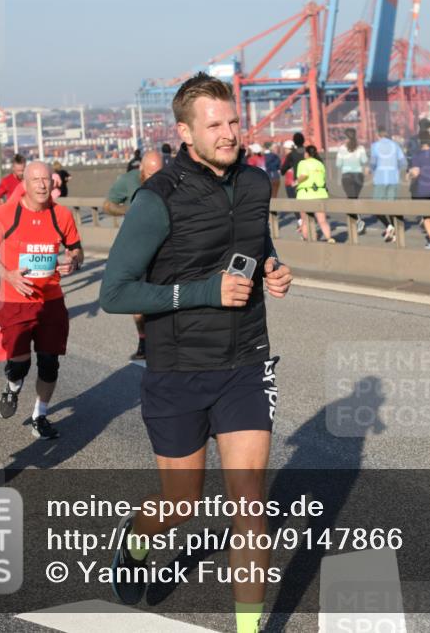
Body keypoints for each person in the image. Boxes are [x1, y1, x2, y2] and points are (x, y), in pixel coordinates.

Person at [99, 72, 293, 633]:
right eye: (216, 125)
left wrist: (273, 269)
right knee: (181, 503)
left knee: (249, 505)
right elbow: (114, 292)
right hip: (177, 370)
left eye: (234, 121)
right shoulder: (157, 199)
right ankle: (138, 540)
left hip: (246, 362)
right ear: (185, 132)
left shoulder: (258, 183)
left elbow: (257, 243)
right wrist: (204, 291)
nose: (230, 132)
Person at [0, 161, 84, 440]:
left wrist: (73, 262)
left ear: (53, 183)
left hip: (51, 300)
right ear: (24, 184)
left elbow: (77, 250)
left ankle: (40, 415)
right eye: (35, 179)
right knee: (20, 364)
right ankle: (13, 387)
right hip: (15, 301)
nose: (41, 184)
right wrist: (7, 275)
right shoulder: (5, 214)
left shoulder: (61, 215)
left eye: (46, 179)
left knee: (50, 363)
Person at [103, 151, 165, 360]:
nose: (155, 179)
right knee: (138, 298)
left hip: (166, 246)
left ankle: (166, 340)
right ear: (141, 170)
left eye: (159, 173)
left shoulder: (173, 179)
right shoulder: (129, 180)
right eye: (150, 174)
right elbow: (108, 204)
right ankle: (144, 341)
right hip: (138, 246)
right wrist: (128, 211)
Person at [369, 126, 407, 243]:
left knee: (376, 206)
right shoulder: (395, 146)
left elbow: (373, 163)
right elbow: (403, 162)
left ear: (378, 135)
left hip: (380, 179)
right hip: (393, 179)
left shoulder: (375, 146)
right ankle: (395, 228)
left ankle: (389, 226)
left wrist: (371, 169)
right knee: (392, 205)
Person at [295, 144, 335, 243]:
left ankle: (306, 238)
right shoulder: (320, 164)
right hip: (320, 193)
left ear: (307, 154)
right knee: (322, 220)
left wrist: (296, 182)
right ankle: (329, 238)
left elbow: (304, 175)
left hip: (305, 194)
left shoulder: (303, 163)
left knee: (305, 220)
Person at [336, 127, 369, 235]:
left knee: (351, 200)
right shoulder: (361, 148)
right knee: (354, 199)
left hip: (347, 176)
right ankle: (356, 222)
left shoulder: (342, 149)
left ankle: (359, 222)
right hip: (359, 176)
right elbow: (364, 160)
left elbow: (338, 164)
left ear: (346, 137)